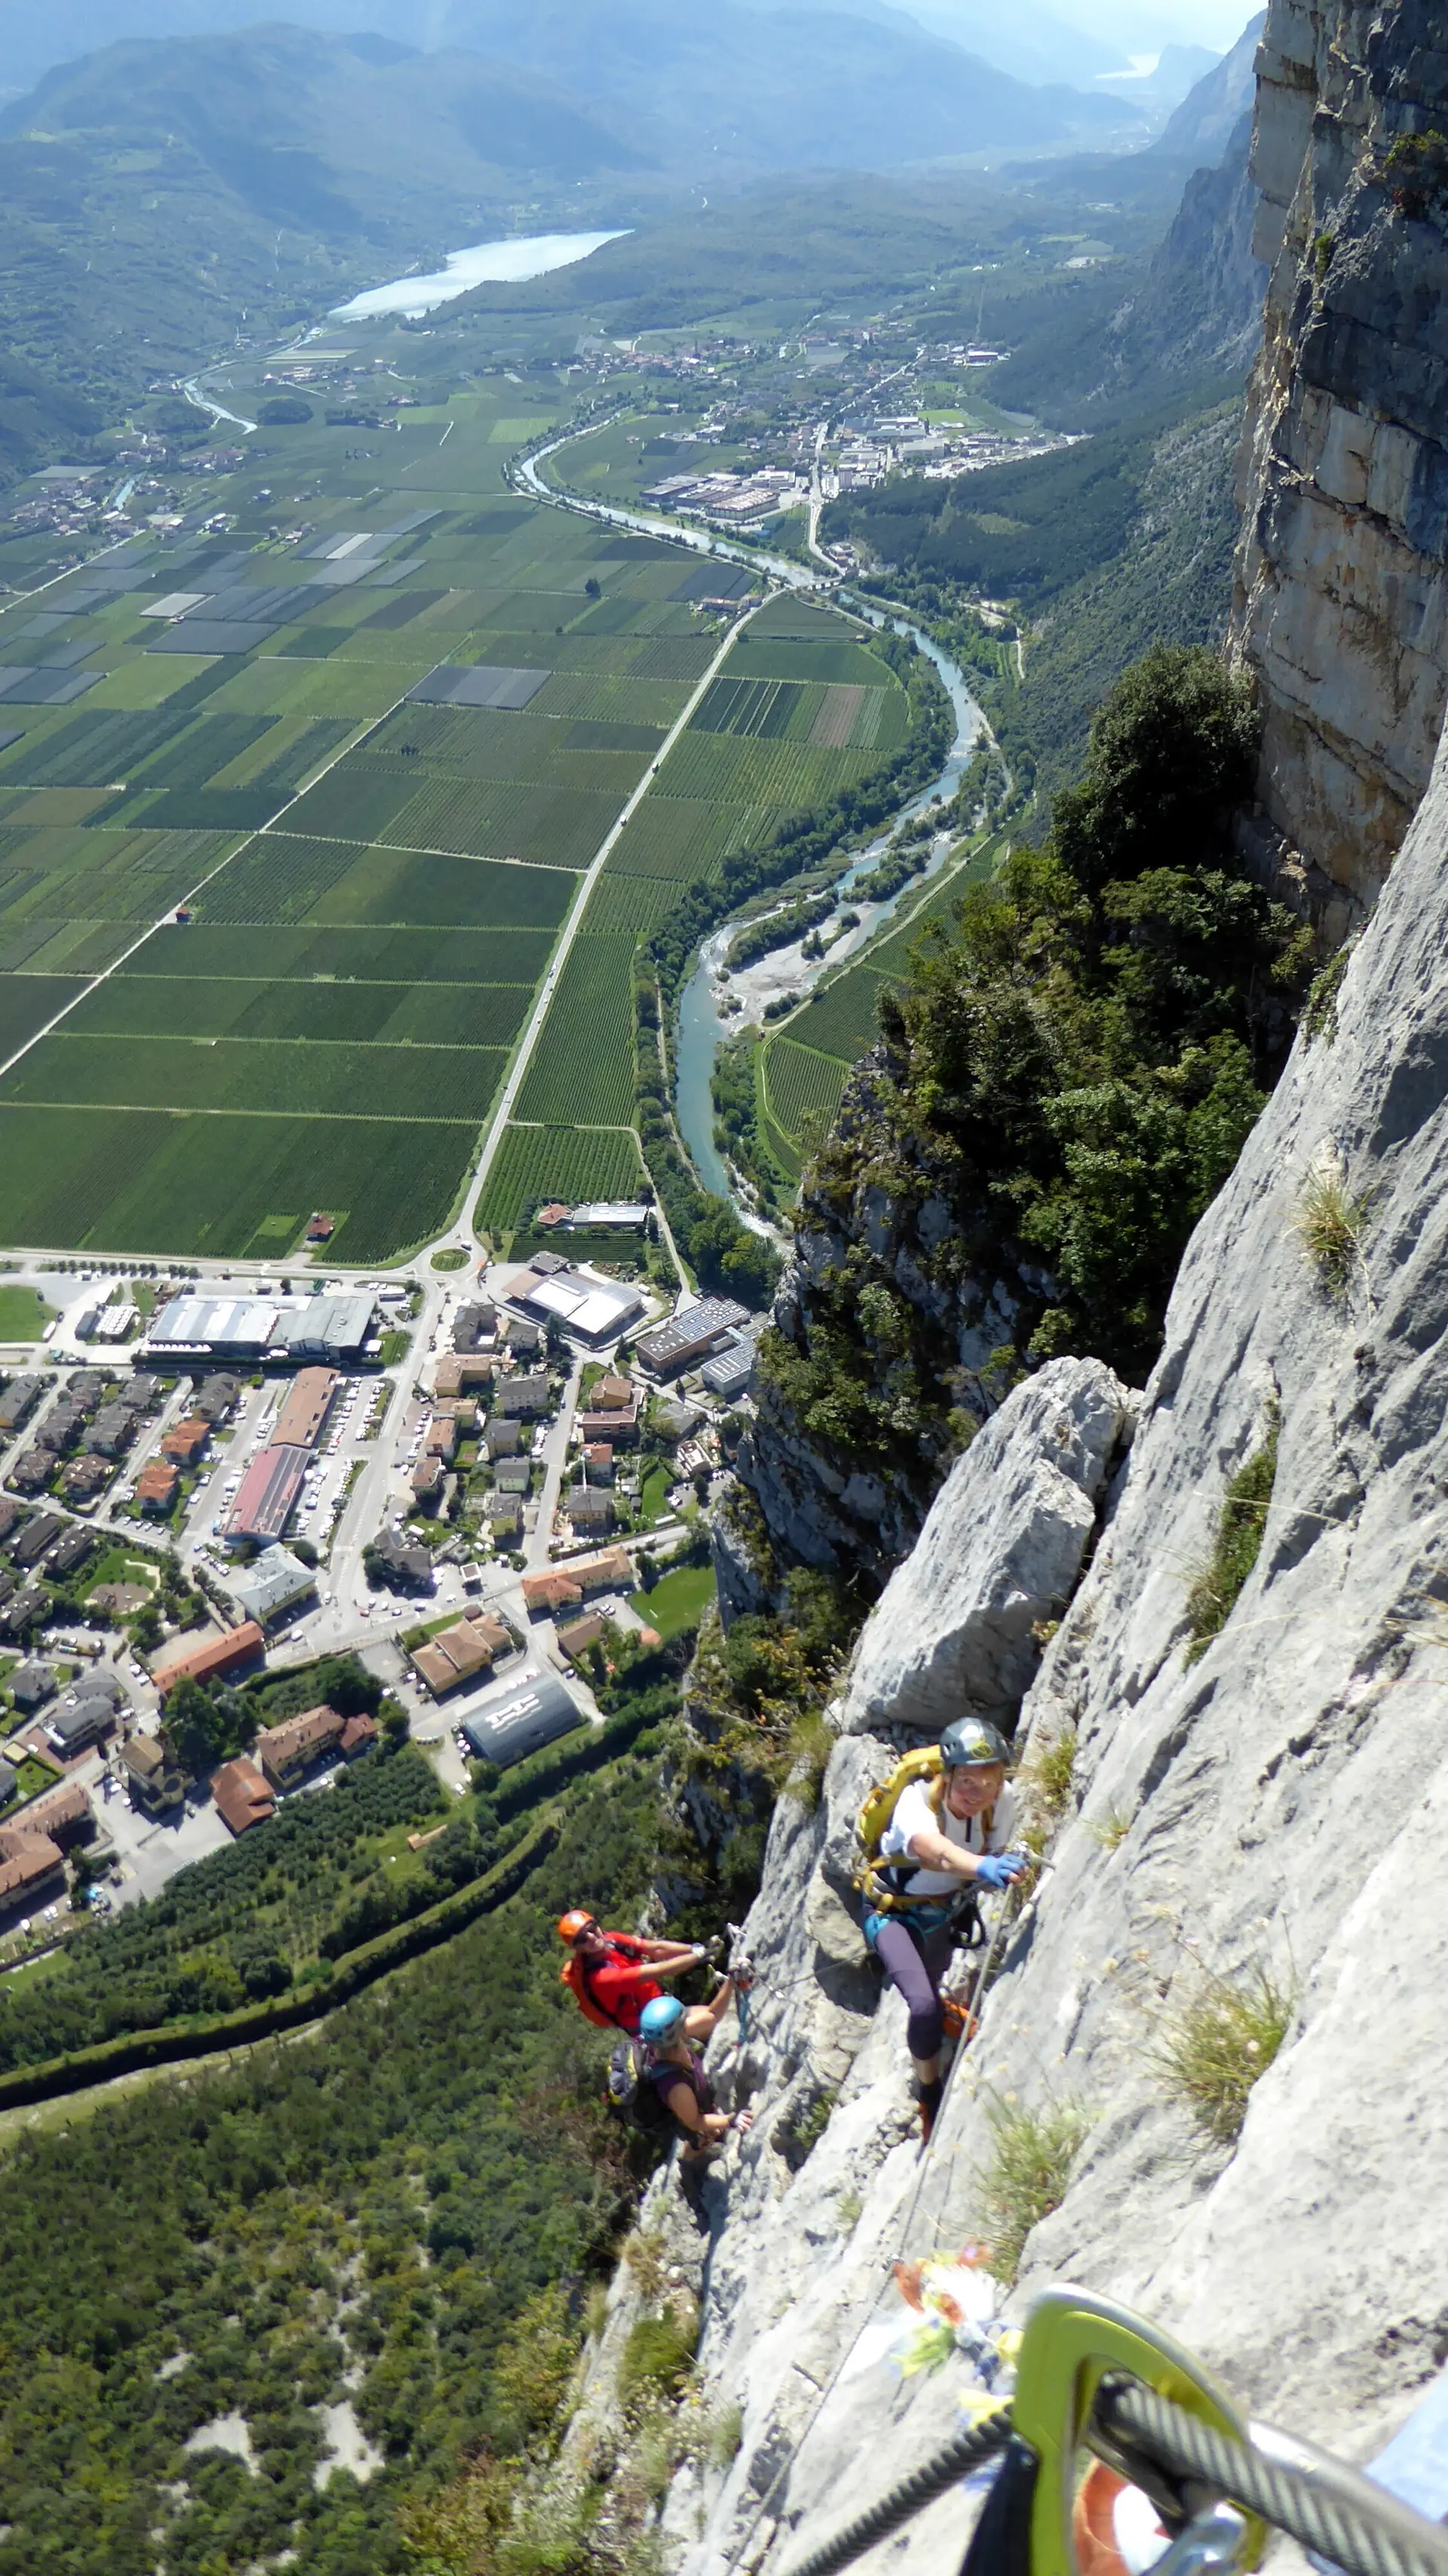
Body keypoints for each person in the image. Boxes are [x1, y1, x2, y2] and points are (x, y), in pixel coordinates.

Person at [864, 1719, 1027, 2142]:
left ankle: (941, 2019)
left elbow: (990, 1849)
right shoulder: (917, 1801)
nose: (978, 1795)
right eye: (968, 1782)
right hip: (892, 1914)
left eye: (989, 1782)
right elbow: (928, 1849)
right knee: (921, 2006)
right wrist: (982, 1868)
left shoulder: (1000, 1802)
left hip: (942, 1914)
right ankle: (929, 2091)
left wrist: (993, 1868)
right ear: (947, 1776)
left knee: (931, 1986)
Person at [557, 1911, 736, 2042]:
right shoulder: (600, 1978)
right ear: (577, 1949)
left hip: (663, 2007)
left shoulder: (613, 1940)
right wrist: (699, 1956)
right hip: (654, 2029)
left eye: (591, 1928)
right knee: (713, 2017)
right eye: (581, 1939)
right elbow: (659, 1970)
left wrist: (695, 1948)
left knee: (720, 2018)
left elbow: (655, 1948)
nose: (591, 1937)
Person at [637, 1995, 754, 2175]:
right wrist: (730, 2120)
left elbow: (713, 2014)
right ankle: (688, 2166)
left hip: (696, 2094)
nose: (688, 2022)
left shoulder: (669, 2043)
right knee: (704, 2137)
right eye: (683, 2021)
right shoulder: (675, 2085)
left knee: (712, 2127)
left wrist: (732, 1981)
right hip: (691, 2114)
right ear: (677, 2031)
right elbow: (695, 2121)